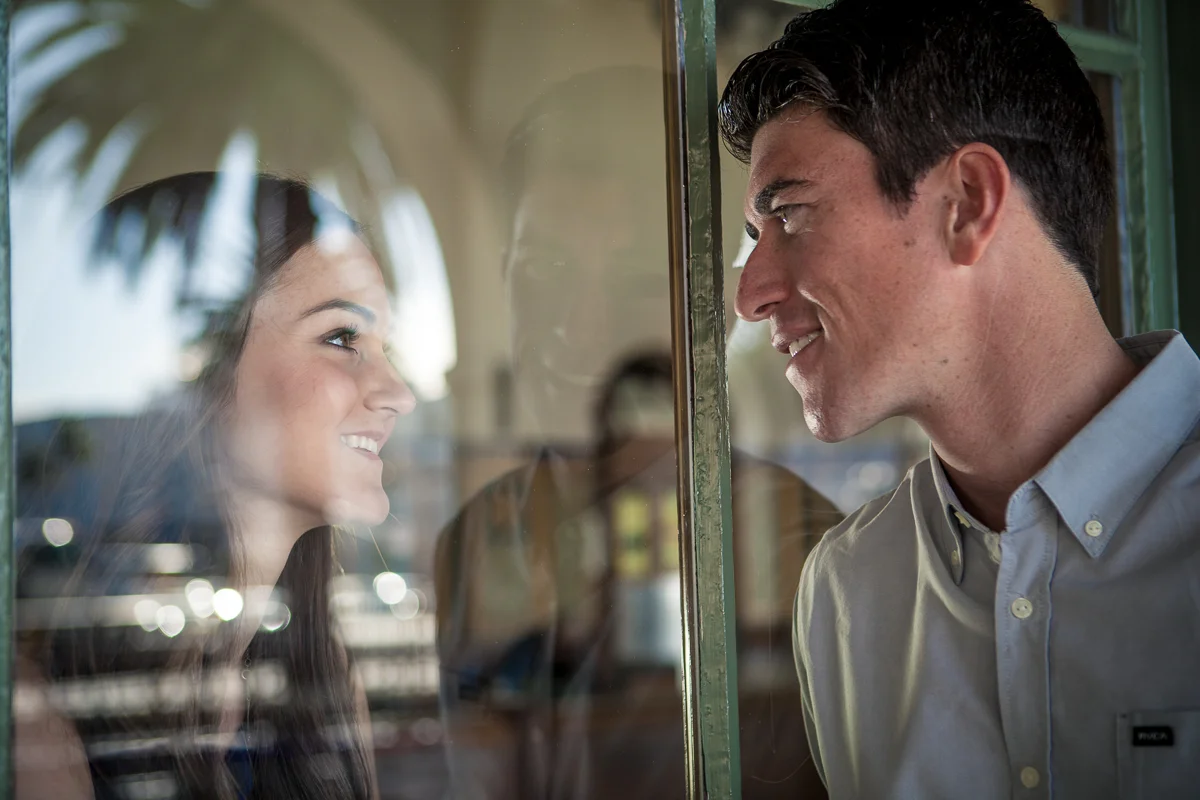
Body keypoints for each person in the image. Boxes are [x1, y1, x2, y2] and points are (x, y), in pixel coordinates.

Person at [719, 0, 1200, 798]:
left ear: (968, 201)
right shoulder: (846, 592)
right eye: (752, 238)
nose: (752, 294)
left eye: (791, 214)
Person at [434, 68, 841, 799]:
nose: (581, 326)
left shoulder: (806, 549)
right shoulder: (472, 541)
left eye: (635, 279)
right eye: (546, 269)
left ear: (714, 308)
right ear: (505, 283)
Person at [16, 172, 412, 799]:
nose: (398, 392)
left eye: (385, 347)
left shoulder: (324, 679)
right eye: (342, 337)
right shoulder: (38, 727)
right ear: (214, 377)